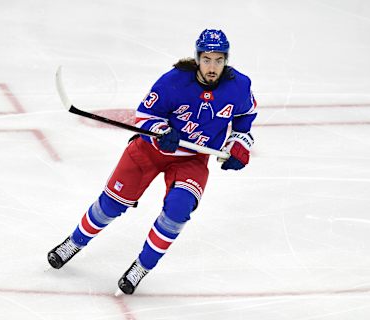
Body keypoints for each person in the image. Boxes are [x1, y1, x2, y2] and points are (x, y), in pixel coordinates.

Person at [47, 29, 257, 295]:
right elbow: (144, 115)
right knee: (111, 205)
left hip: (192, 159)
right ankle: (74, 243)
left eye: (218, 60)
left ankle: (141, 266)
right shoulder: (174, 81)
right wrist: (161, 131)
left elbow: (246, 115)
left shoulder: (239, 86)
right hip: (149, 151)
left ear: (226, 59)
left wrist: (238, 144)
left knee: (178, 210)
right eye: (207, 59)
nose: (212, 66)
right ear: (197, 58)